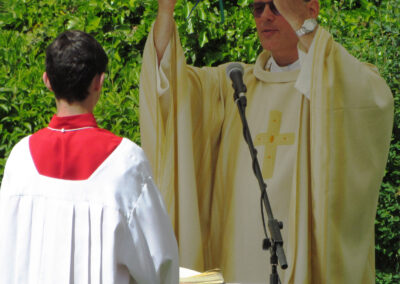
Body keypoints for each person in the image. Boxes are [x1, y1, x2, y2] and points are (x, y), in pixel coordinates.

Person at [139, 0, 394, 283]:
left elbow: (372, 101)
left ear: (311, 9)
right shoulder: (233, 84)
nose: (266, 16)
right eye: (258, 8)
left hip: (305, 260)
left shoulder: (334, 81)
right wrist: (165, 11)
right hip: (237, 257)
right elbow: (170, 88)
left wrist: (304, 25)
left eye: (276, 6)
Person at [0, 30, 178, 284]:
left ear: (47, 81)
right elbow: (159, 263)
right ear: (99, 82)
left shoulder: (19, 159)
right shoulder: (125, 163)